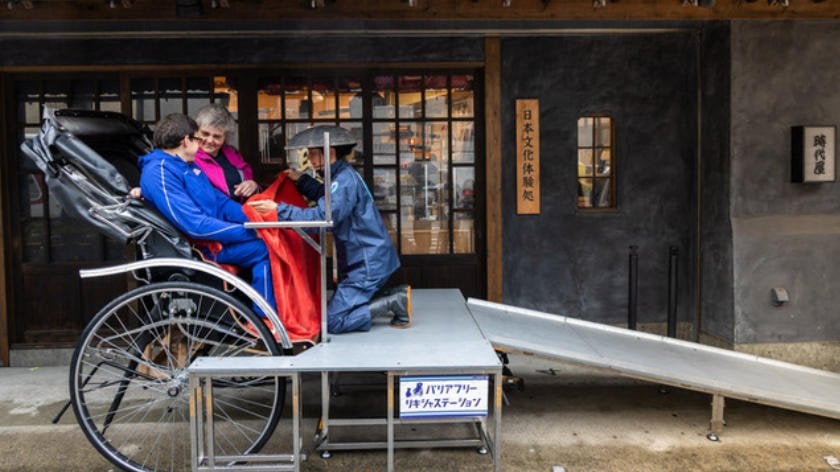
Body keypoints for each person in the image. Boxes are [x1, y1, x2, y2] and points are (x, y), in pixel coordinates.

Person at [248, 125, 411, 334]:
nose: (311, 159)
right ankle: (394, 296)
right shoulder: (341, 176)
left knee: (333, 322)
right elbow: (326, 199)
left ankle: (393, 301)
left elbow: (322, 217)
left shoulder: (342, 181)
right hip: (366, 258)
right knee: (333, 310)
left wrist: (279, 210)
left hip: (366, 263)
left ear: (330, 152)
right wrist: (302, 181)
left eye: (314, 153)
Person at [138, 113, 276, 317]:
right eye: (197, 138)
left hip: (210, 239)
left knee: (268, 243)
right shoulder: (159, 171)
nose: (202, 143)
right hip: (200, 249)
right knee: (265, 249)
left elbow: (220, 202)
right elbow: (195, 225)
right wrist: (248, 232)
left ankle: (264, 315)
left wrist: (256, 220)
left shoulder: (186, 165)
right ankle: (264, 318)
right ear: (186, 141)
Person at [194, 103, 260, 202]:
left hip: (243, 212)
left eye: (217, 136)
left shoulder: (232, 154)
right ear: (196, 132)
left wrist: (253, 186)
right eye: (205, 134)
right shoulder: (189, 158)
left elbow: (248, 180)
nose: (210, 140)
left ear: (226, 137)